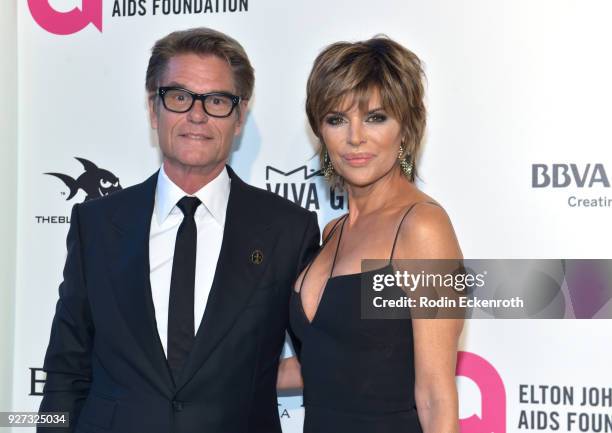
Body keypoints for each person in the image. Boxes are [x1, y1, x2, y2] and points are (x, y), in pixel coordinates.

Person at [38, 27, 319, 433]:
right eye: (180, 97)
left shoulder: (288, 230)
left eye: (218, 100)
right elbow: (65, 373)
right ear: (154, 110)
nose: (197, 114)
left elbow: (327, 360)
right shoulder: (96, 224)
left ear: (239, 118)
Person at [280, 36, 464, 432]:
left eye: (376, 117)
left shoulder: (421, 228)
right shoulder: (332, 232)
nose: (355, 137)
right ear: (321, 132)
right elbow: (328, 360)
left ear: (406, 127)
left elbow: (434, 394)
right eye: (337, 119)